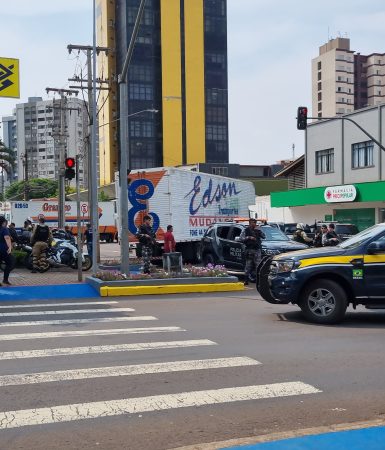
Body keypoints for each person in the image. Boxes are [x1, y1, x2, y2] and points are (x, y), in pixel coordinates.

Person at [240, 218, 265, 285]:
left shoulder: (258, 230)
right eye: (252, 222)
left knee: (258, 265)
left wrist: (259, 231)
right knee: (248, 265)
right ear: (249, 223)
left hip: (257, 250)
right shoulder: (245, 230)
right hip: (249, 250)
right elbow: (241, 238)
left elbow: (264, 236)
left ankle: (259, 280)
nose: (254, 224)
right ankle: (246, 280)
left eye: (254, 222)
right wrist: (248, 237)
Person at [0, 217, 14, 286]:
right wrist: (10, 247)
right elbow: (7, 238)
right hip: (3, 250)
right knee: (10, 263)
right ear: (3, 222)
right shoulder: (4, 229)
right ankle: (5, 280)